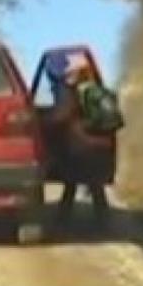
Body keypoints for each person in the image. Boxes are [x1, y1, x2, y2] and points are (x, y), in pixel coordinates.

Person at [45, 54, 115, 227]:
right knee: (93, 184)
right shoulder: (96, 89)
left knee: (72, 179)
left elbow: (62, 115)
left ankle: (62, 222)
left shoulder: (73, 91)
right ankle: (103, 222)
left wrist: (45, 123)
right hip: (99, 143)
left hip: (82, 144)